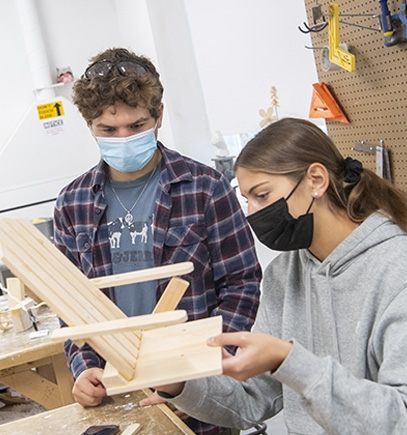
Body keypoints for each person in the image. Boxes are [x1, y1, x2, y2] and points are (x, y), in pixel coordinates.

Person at [156, 118, 407, 434]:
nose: (252, 214)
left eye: (262, 195)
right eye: (246, 199)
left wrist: (290, 360)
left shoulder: (403, 270)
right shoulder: (285, 273)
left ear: (315, 181)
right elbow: (254, 398)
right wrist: (179, 384)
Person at [53, 47, 262, 435]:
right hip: (117, 395)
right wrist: (85, 368)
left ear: (159, 115)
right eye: (108, 130)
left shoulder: (204, 188)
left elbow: (243, 285)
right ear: (89, 126)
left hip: (198, 392)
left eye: (136, 126)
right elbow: (72, 304)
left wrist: (199, 381)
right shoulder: (73, 202)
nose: (123, 138)